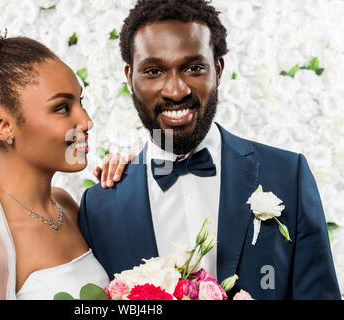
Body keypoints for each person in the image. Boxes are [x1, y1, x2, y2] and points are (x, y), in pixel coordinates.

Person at [78, 0, 341, 299]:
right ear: (129, 78)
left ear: (218, 69)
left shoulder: (288, 175)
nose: (176, 91)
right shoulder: (98, 206)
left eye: (193, 68)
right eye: (153, 71)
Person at [0, 15, 131, 300]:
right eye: (61, 108)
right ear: (2, 125)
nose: (85, 121)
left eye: (79, 102)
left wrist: (124, 185)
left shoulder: (66, 206)